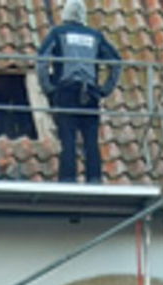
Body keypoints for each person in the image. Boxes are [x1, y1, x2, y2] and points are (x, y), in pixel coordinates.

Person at [37, 0, 122, 183]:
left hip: (66, 92)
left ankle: (68, 179)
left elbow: (42, 61)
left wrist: (49, 89)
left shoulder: (58, 33)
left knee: (68, 140)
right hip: (90, 94)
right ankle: (94, 179)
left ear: (65, 14)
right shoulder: (95, 36)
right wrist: (105, 89)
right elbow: (116, 62)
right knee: (91, 140)